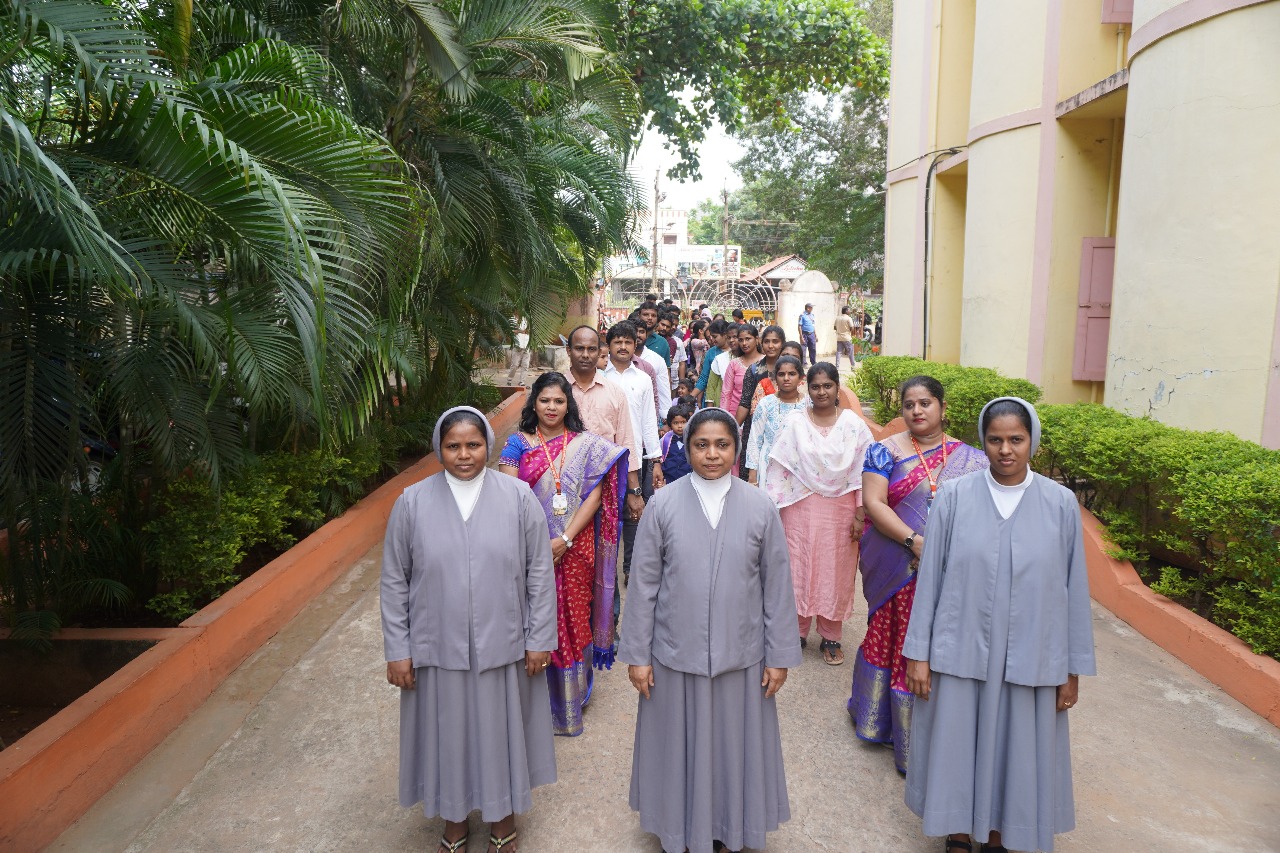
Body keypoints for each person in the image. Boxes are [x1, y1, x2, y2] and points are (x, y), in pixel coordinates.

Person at [903, 397, 1096, 853]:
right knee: (956, 739)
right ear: (982, 441)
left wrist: (1071, 668)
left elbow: (1073, 589)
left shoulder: (1060, 503)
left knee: (1018, 747)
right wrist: (919, 653)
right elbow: (931, 578)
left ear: (1033, 441)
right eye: (995, 439)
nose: (1005, 449)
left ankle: (999, 832)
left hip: (1032, 657)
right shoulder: (954, 495)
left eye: (1016, 439)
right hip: (960, 650)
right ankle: (956, 830)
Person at [619, 408, 802, 853]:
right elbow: (643, 585)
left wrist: (778, 656)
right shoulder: (662, 503)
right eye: (701, 445)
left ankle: (728, 828)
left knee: (731, 747)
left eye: (722, 445)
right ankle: (678, 829)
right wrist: (638, 657)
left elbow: (777, 587)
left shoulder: (760, 506)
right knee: (678, 746)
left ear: (736, 449)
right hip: (673, 654)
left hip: (741, 656)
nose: (712, 454)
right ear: (687, 447)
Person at [381, 407, 556, 853]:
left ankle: (502, 815)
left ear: (489, 446)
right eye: (453, 446)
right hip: (436, 645)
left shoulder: (518, 497)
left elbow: (539, 571)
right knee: (449, 734)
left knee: (500, 732)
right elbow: (394, 579)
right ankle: (454, 818)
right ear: (439, 449)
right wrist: (397, 649)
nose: (464, 455)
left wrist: (540, 637)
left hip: (505, 641)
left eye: (473, 445)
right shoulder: (412, 501)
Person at [847, 376, 989, 774]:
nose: (917, 411)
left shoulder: (973, 459)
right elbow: (874, 503)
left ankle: (941, 734)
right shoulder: (883, 452)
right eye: (909, 404)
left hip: (951, 571)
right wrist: (915, 542)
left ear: (942, 407)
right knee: (895, 639)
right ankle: (881, 721)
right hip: (896, 565)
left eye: (925, 403)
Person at [499, 374, 629, 737]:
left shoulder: (586, 444)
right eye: (544, 401)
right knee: (536, 617)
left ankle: (569, 702)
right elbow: (509, 496)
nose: (552, 408)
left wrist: (565, 539)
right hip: (529, 548)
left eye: (559, 401)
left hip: (575, 548)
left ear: (568, 405)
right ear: (534, 404)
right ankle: (534, 704)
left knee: (572, 615)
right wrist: (538, 544)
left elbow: (595, 496)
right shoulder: (517, 444)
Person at [765, 363, 873, 666]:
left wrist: (860, 513)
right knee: (797, 566)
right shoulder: (796, 422)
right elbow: (780, 466)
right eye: (816, 386)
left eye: (827, 385)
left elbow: (865, 471)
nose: (822, 391)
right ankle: (795, 632)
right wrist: (774, 507)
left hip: (841, 508)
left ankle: (830, 635)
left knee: (835, 570)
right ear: (806, 389)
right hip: (800, 505)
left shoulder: (853, 425)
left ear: (837, 387)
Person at [566, 325, 644, 539]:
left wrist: (634, 491)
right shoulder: (555, 390)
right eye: (579, 348)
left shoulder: (614, 393)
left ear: (599, 351)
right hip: (561, 487)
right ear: (568, 351)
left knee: (603, 554)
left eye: (591, 349)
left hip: (606, 488)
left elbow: (626, 442)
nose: (585, 355)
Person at [602, 321, 664, 586]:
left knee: (634, 514)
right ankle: (604, 571)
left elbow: (649, 421)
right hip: (604, 459)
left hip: (636, 457)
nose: (624, 346)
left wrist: (656, 459)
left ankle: (629, 568)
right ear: (609, 346)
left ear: (635, 344)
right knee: (605, 513)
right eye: (618, 342)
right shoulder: (600, 378)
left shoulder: (643, 379)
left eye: (628, 342)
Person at [745, 355, 807, 490]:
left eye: (792, 374)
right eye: (781, 374)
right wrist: (752, 476)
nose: (786, 378)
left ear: (801, 378)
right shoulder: (766, 403)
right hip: (769, 467)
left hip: (801, 469)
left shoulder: (808, 404)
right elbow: (755, 440)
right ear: (775, 378)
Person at [735, 325, 786, 479]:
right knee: (751, 474)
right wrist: (732, 428)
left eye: (775, 342)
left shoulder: (789, 369)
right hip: (755, 430)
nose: (771, 346)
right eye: (767, 342)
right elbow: (745, 402)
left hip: (783, 430)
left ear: (782, 343)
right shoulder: (754, 370)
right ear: (761, 343)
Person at [720, 322, 764, 419]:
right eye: (741, 340)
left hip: (761, 416)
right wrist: (725, 418)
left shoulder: (765, 362)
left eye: (748, 339)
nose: (744, 343)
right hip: (735, 416)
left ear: (757, 339)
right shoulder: (734, 364)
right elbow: (726, 393)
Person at [694, 319, 729, 406]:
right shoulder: (711, 352)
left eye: (715, 336)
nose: (712, 340)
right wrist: (691, 396)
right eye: (711, 337)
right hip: (712, 399)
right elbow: (703, 378)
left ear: (725, 334)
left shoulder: (737, 352)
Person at [659, 404, 693, 483]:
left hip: (687, 480)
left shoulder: (692, 440)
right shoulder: (665, 440)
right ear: (670, 424)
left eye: (683, 422)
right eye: (676, 423)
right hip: (668, 479)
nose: (680, 426)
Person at [507, 313, 532, 386]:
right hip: (517, 346)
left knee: (525, 365)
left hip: (526, 345)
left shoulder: (525, 318)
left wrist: (519, 331)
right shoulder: (512, 319)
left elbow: (528, 331)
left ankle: (522, 381)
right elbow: (511, 331)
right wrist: (522, 331)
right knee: (515, 365)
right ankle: (509, 379)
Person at [834, 306, 856, 371]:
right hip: (847, 338)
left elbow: (835, 328)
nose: (850, 311)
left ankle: (837, 367)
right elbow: (852, 328)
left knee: (839, 352)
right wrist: (847, 330)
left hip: (839, 338)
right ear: (846, 311)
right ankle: (853, 367)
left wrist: (840, 330)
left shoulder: (838, 318)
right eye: (849, 310)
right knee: (850, 353)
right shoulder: (848, 318)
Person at [797, 303, 818, 367]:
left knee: (813, 348)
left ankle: (813, 362)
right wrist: (801, 336)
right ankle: (804, 363)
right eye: (811, 307)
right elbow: (799, 326)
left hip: (811, 334)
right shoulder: (802, 315)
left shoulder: (812, 315)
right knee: (803, 349)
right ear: (808, 308)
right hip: (804, 334)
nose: (812, 309)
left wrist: (815, 335)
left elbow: (813, 326)